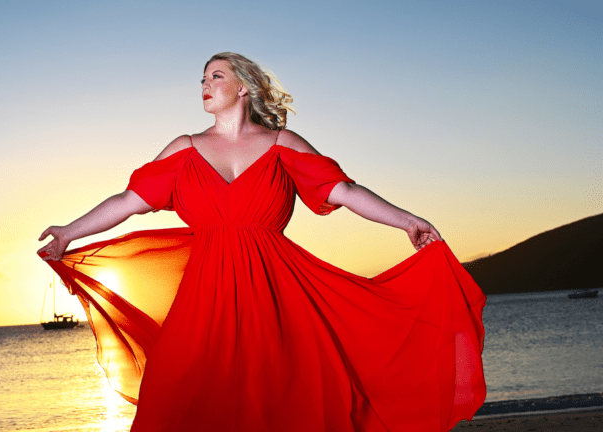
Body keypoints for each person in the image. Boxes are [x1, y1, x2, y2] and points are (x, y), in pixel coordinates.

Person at [38, 52, 486, 432]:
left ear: (244, 88)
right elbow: (129, 201)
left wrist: (407, 220)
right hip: (204, 298)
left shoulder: (282, 144)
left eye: (217, 75)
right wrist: (69, 231)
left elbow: (344, 191)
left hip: (279, 292)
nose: (205, 84)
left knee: (283, 399)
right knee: (173, 392)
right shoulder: (183, 148)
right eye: (202, 78)